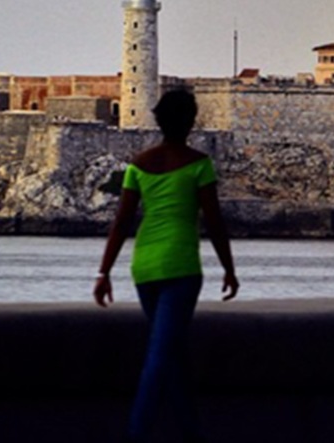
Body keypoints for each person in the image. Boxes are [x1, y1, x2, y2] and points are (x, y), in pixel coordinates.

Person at [94, 88, 239, 443]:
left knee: (173, 354)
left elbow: (122, 222)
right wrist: (229, 269)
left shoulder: (138, 164)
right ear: (191, 121)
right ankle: (136, 433)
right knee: (160, 356)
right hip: (181, 267)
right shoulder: (200, 164)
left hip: (144, 266)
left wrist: (105, 272)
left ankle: (191, 433)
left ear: (159, 121)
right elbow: (214, 222)